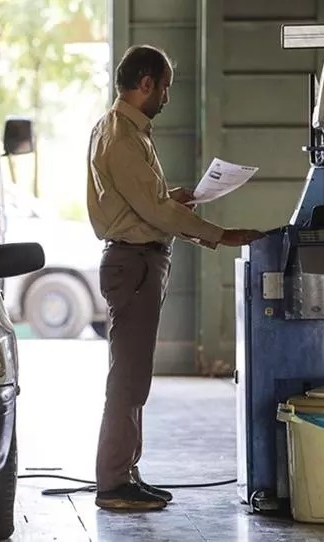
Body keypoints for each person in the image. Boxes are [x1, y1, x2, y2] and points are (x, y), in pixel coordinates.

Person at [86, 45, 264, 512]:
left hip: (141, 260)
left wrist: (171, 197)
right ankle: (112, 483)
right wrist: (221, 235)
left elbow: (145, 199)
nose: (166, 95)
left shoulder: (125, 130)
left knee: (134, 375)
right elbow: (153, 211)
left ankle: (125, 473)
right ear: (145, 83)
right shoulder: (122, 137)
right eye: (164, 85)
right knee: (127, 378)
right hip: (135, 262)